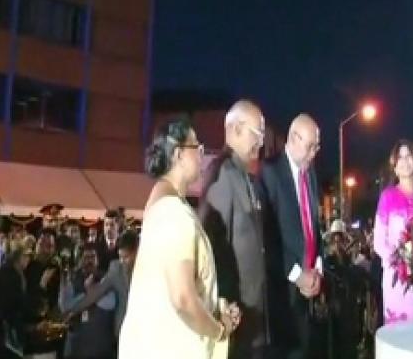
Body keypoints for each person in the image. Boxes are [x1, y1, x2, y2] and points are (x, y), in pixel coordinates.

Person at [117, 118, 241, 359]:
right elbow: (182, 298)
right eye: (197, 147)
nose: (202, 156)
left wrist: (215, 306)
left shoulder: (162, 206)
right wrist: (219, 330)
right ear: (178, 154)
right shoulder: (174, 213)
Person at [200, 100, 270, 359]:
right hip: (236, 319)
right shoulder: (222, 174)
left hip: (253, 317)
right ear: (236, 129)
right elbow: (212, 246)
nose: (261, 143)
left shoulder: (245, 175)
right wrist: (225, 305)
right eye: (257, 134)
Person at [260, 114, 325, 359]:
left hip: (309, 287)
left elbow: (314, 226)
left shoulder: (311, 175)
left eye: (317, 147)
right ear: (293, 138)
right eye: (310, 146)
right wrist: (298, 275)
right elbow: (269, 235)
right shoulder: (270, 173)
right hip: (282, 289)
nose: (313, 153)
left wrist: (317, 268)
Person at [371, 140, 413, 325]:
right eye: (399, 157)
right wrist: (399, 260)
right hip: (397, 278)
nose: (404, 161)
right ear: (394, 166)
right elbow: (378, 241)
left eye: (408, 156)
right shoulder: (388, 197)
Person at [62, 230, 139, 342]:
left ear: (137, 251)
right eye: (120, 257)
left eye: (126, 257)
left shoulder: (152, 272)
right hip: (123, 332)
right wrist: (73, 311)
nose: (122, 262)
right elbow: (94, 295)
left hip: (147, 331)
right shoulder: (115, 269)